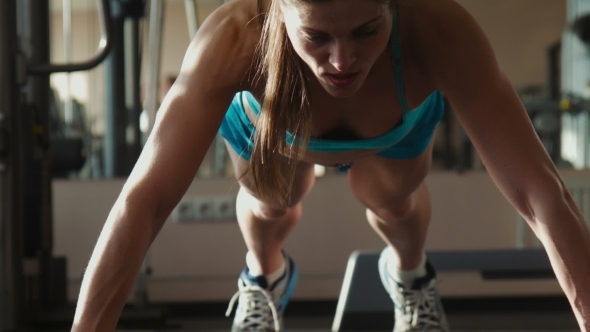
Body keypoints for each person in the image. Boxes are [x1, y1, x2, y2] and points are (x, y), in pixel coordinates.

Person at [71, 0, 590, 331]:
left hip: (395, 128)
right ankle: (262, 278)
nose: (342, 61)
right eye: (317, 36)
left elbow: (542, 195)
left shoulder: (441, 32)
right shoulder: (232, 39)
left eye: (366, 31)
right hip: (275, 131)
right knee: (275, 201)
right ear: (277, 10)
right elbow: (145, 199)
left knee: (392, 200)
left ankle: (410, 279)